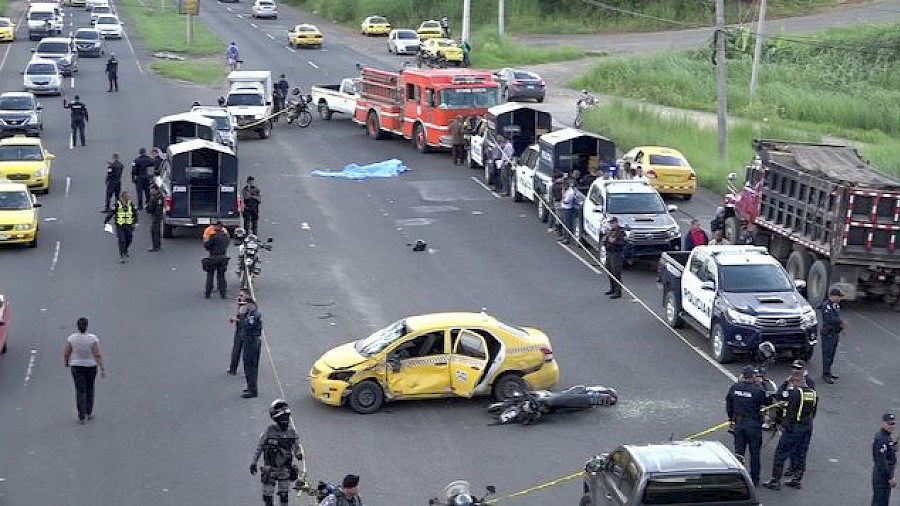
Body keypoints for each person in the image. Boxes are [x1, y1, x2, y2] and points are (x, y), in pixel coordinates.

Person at [763, 371, 817, 490]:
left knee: (780, 454)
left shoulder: (794, 393)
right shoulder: (813, 393)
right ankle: (797, 479)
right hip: (807, 427)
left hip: (794, 428)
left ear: (795, 380)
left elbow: (779, 395)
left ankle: (775, 481)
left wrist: (785, 383)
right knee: (801, 453)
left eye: (792, 382)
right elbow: (814, 412)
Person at [250, 399, 304, 506]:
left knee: (284, 497)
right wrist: (253, 462)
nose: (285, 420)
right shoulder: (269, 431)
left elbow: (296, 445)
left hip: (284, 470)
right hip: (270, 469)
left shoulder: (291, 432)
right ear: (276, 419)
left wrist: (298, 454)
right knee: (267, 497)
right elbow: (260, 447)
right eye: (282, 418)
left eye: (287, 418)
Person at [726, 366, 769, 485]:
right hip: (754, 425)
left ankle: (737, 477)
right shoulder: (757, 390)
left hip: (739, 424)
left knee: (739, 452)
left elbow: (729, 403)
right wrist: (762, 385)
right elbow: (767, 401)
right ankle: (754, 479)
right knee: (754, 453)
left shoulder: (735, 387)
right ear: (753, 376)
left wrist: (731, 419)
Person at [63, 317, 106, 424]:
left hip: (77, 366)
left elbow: (66, 352)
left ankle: (81, 416)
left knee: (80, 390)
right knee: (90, 389)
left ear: (77, 326)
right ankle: (89, 412)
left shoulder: (72, 338)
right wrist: (102, 367)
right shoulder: (93, 338)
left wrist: (67, 362)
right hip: (91, 366)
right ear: (87, 326)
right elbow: (97, 354)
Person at [238, 297, 263, 397]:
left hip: (252, 342)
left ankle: (252, 390)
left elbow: (247, 327)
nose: (243, 306)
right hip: (250, 342)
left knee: (250, 367)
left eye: (245, 304)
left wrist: (242, 315)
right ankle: (250, 387)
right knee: (248, 367)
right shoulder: (251, 314)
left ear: (250, 304)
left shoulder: (253, 315)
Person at [104, 191, 138, 262]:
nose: (128, 198)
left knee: (129, 239)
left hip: (129, 225)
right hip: (120, 225)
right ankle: (122, 255)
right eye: (127, 197)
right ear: (123, 197)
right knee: (122, 240)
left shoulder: (130, 204)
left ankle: (125, 250)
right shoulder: (117, 204)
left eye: (129, 197)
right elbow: (111, 213)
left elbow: (135, 213)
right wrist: (106, 221)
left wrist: (136, 222)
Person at [872, 412, 897, 506]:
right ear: (883, 423)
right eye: (889, 423)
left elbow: (888, 450)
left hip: (883, 475)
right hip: (882, 476)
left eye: (893, 423)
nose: (892, 426)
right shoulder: (881, 439)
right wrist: (890, 477)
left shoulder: (886, 436)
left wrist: (894, 447)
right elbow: (881, 462)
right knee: (880, 501)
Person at [820, 287, 843, 384]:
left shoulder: (836, 306)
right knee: (827, 354)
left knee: (832, 354)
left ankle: (829, 372)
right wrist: (841, 322)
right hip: (828, 333)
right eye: (838, 296)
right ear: (833, 296)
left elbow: (837, 318)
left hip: (834, 333)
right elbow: (829, 319)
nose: (840, 299)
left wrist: (841, 328)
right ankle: (825, 374)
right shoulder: (826, 306)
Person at [227, 288, 252, 375]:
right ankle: (233, 368)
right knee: (236, 350)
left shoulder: (248, 306)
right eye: (239, 295)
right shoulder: (243, 304)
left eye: (241, 295)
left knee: (245, 351)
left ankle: (241, 369)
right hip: (240, 329)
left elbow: (243, 319)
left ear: (247, 296)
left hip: (245, 331)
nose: (239, 297)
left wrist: (235, 319)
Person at [203, 221, 230, 299]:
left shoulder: (212, 236)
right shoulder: (226, 237)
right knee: (221, 276)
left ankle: (208, 293)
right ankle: (223, 293)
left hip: (213, 257)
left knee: (210, 275)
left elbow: (206, 245)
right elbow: (226, 245)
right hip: (223, 257)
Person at [604, 216, 627, 299]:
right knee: (609, 270)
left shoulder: (621, 232)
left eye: (613, 223)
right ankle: (612, 289)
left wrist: (615, 242)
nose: (611, 224)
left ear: (617, 223)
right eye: (610, 223)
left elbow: (623, 243)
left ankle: (618, 292)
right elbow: (605, 241)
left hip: (616, 254)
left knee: (616, 272)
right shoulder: (610, 231)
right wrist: (607, 241)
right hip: (609, 253)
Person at [145, 184, 164, 252]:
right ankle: (158, 245)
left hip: (156, 216)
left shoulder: (157, 198)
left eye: (152, 189)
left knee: (154, 231)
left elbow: (155, 208)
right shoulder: (156, 197)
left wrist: (148, 208)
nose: (150, 191)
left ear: (156, 190)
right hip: (156, 216)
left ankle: (155, 246)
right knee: (157, 231)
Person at [559, 179, 577, 245]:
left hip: (567, 209)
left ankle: (567, 238)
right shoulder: (566, 191)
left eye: (563, 186)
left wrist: (563, 194)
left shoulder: (570, 192)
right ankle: (563, 236)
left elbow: (566, 201)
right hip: (563, 208)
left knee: (567, 225)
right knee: (563, 223)